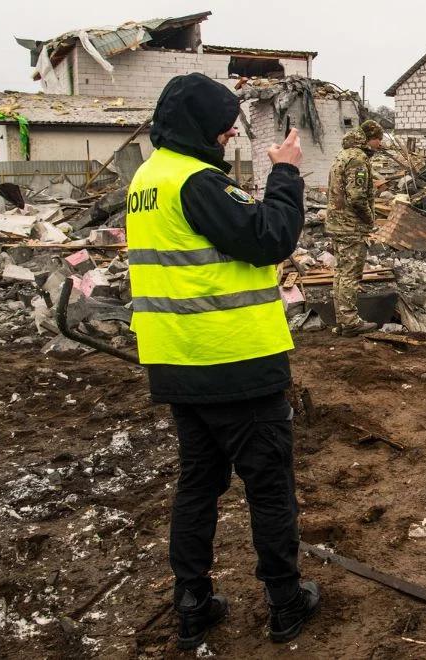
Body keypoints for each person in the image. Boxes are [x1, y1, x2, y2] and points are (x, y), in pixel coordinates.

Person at [126, 72, 319, 649]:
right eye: (224, 123)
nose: (231, 130)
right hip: (234, 362)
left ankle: (193, 601)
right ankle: (285, 603)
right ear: (199, 126)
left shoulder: (147, 178)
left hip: (177, 363)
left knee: (197, 485)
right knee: (267, 487)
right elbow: (270, 237)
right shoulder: (195, 182)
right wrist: (285, 172)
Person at [326, 119, 384, 335]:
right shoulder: (358, 159)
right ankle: (350, 322)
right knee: (350, 274)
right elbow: (357, 197)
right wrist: (370, 220)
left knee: (340, 272)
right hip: (351, 226)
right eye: (379, 140)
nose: (380, 145)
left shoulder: (343, 155)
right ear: (370, 139)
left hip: (338, 224)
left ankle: (343, 320)